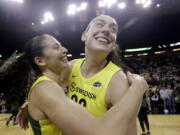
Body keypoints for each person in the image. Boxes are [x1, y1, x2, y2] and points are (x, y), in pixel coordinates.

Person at [0, 34, 148, 135]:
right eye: (56, 47)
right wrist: (137, 88)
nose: (65, 50)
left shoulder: (68, 72)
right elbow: (100, 132)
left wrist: (29, 103)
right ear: (40, 61)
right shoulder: (45, 88)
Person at [65, 14, 137, 135]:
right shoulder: (71, 66)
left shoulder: (118, 80)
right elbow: (49, 88)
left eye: (113, 29)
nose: (106, 30)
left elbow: (130, 132)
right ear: (84, 35)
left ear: (113, 45)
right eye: (99, 24)